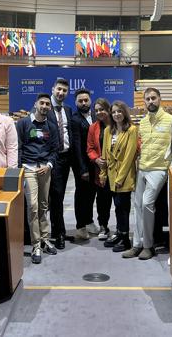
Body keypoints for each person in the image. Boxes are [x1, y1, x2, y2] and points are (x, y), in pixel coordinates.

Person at [124, 87, 172, 260]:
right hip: (142, 169)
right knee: (137, 206)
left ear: (160, 99)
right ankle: (137, 244)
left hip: (159, 169)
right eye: (147, 99)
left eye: (153, 98)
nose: (150, 101)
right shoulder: (143, 123)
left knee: (147, 204)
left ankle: (148, 245)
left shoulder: (171, 121)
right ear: (144, 101)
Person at [16, 93, 59, 264]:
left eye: (47, 104)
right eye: (42, 103)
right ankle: (36, 245)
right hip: (28, 169)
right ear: (36, 104)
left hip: (45, 169)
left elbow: (55, 150)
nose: (45, 106)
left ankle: (45, 238)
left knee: (43, 205)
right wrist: (19, 169)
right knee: (32, 206)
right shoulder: (24, 123)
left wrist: (48, 165)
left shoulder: (51, 127)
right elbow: (18, 147)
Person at [100, 101, 138, 254]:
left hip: (125, 175)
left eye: (119, 111)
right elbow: (104, 154)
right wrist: (103, 173)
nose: (116, 114)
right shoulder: (109, 130)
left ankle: (126, 239)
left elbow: (129, 156)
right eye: (114, 112)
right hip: (111, 174)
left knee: (123, 207)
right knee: (116, 206)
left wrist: (120, 178)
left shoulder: (132, 130)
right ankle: (119, 233)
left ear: (125, 113)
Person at [47, 78, 74, 250]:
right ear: (53, 89)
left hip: (66, 158)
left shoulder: (68, 110)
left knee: (59, 196)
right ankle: (58, 233)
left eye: (64, 90)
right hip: (51, 158)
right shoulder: (43, 107)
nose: (61, 93)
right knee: (54, 197)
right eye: (59, 89)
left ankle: (56, 230)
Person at [70, 88, 100, 241]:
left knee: (91, 193)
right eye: (80, 101)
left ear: (90, 100)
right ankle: (80, 226)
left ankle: (89, 221)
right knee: (81, 194)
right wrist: (82, 169)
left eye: (86, 100)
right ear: (76, 102)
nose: (83, 103)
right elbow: (76, 146)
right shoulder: (74, 119)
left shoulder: (95, 115)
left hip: (95, 162)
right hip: (81, 163)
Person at [86, 98, 114, 241]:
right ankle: (103, 226)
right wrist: (96, 159)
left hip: (119, 171)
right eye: (96, 110)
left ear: (108, 109)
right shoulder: (93, 127)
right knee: (103, 201)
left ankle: (122, 229)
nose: (99, 112)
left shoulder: (119, 124)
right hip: (101, 171)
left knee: (121, 202)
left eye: (101, 109)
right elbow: (90, 149)